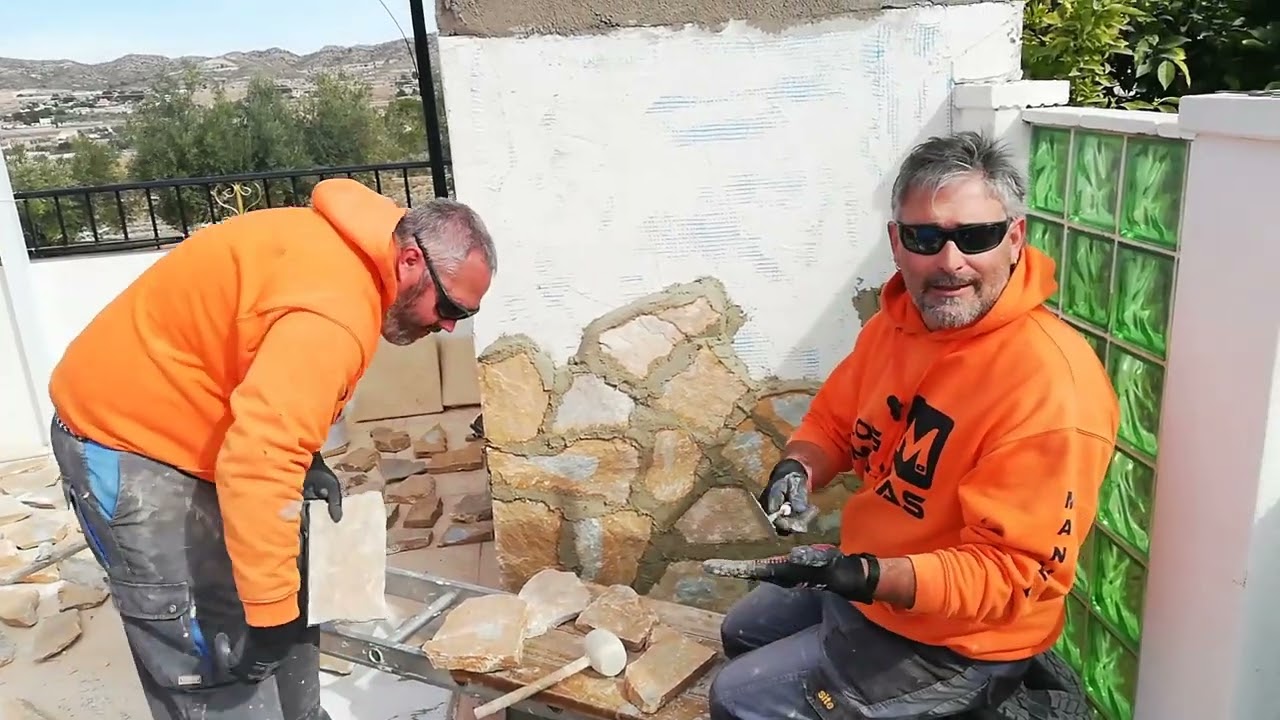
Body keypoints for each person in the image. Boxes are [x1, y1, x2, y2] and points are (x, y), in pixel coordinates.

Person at [46, 178, 496, 720]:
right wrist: (268, 613)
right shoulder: (334, 310)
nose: (448, 325)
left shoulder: (352, 260)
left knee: (290, 607)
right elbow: (259, 463)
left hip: (195, 421)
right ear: (409, 261)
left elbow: (261, 367)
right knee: (213, 656)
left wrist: (309, 456)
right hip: (127, 440)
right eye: (451, 307)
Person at [705, 132, 1118, 720]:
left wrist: (865, 574)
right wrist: (798, 467)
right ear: (897, 243)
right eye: (926, 237)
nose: (951, 263)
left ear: (1015, 240)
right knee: (742, 631)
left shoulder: (1050, 388)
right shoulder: (896, 324)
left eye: (976, 237)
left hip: (962, 641)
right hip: (875, 585)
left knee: (737, 699)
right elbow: (834, 420)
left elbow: (1011, 577)